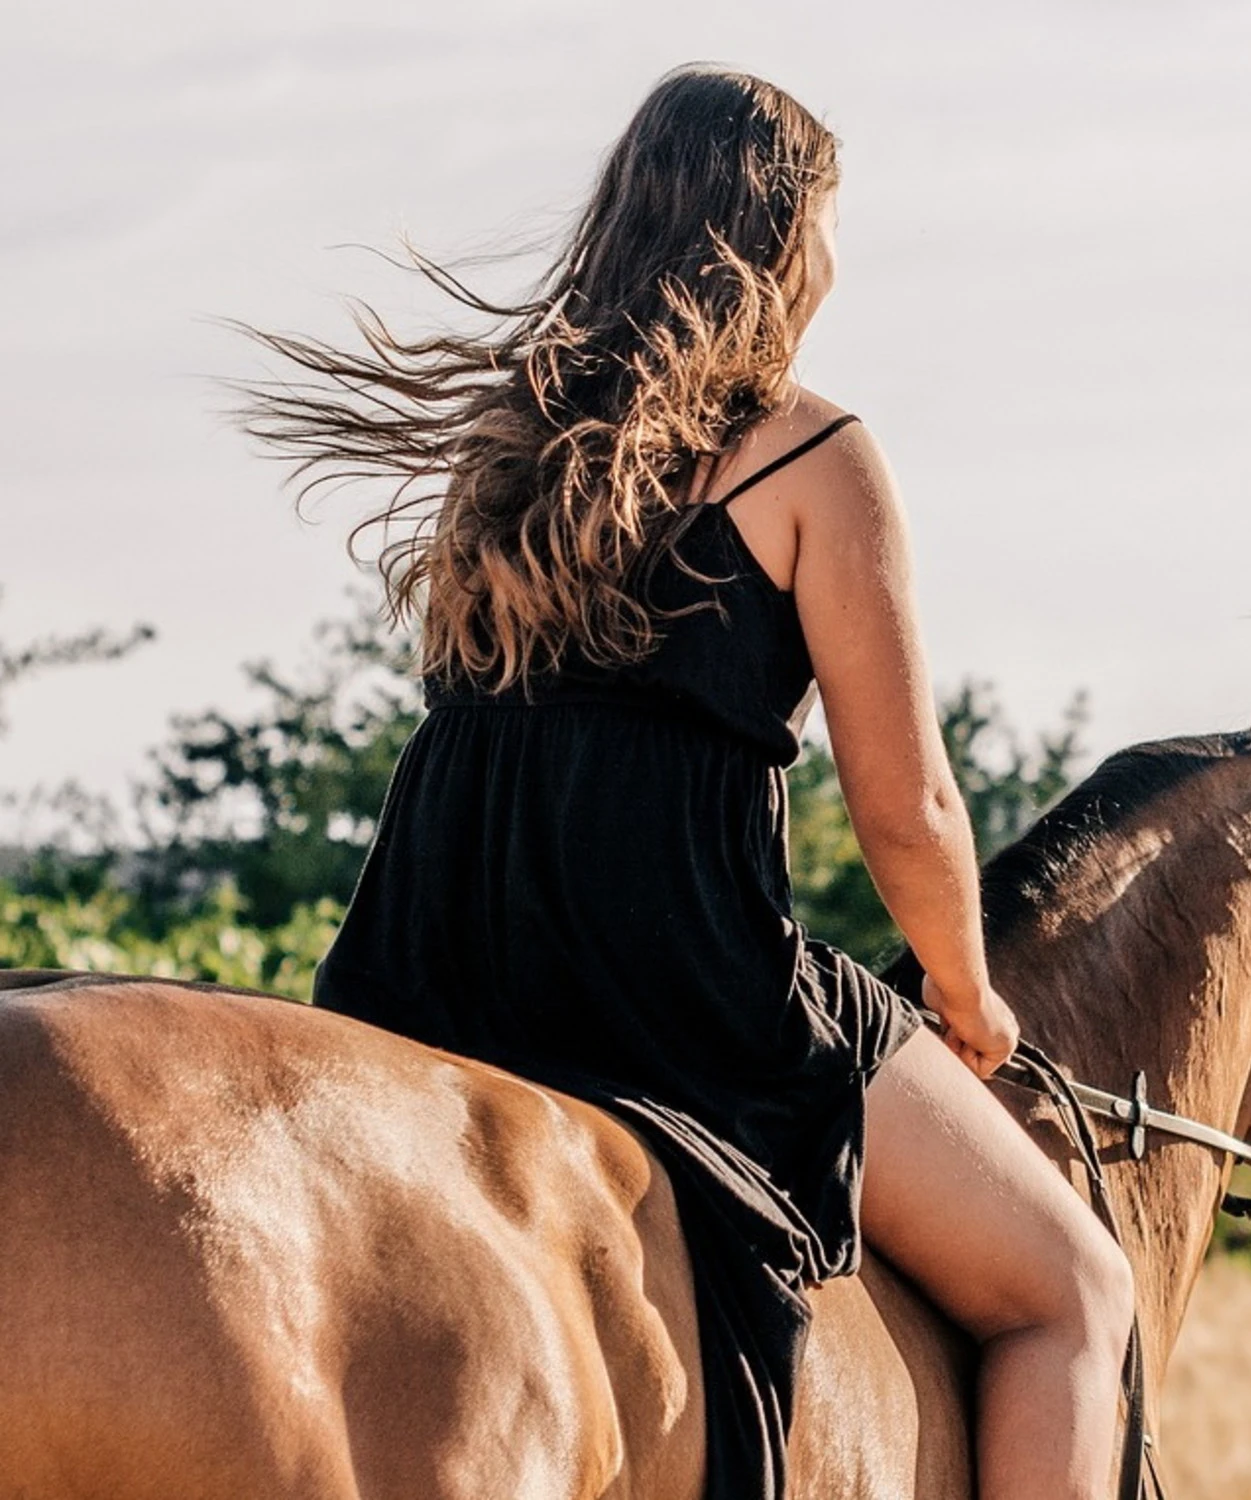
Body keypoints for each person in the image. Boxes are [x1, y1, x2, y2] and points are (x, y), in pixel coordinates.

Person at [245, 64, 1134, 1500]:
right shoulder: (812, 452)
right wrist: (967, 998)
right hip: (673, 979)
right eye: (829, 224)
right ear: (784, 232)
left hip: (439, 956)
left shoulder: (509, 444)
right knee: (1072, 1292)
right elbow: (906, 809)